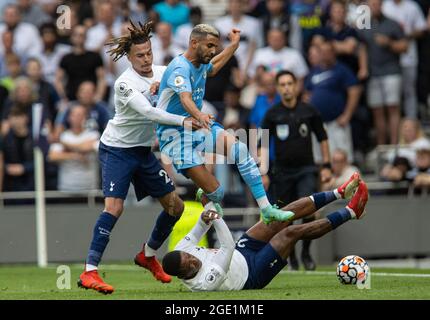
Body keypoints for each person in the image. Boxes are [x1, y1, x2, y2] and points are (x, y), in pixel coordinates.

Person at [77, 20, 201, 295]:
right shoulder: (124, 84)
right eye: (139, 56)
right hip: (117, 150)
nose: (146, 60)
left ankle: (147, 255)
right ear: (129, 58)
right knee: (115, 208)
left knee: (175, 208)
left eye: (149, 53)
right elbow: (151, 114)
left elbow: (193, 75)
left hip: (143, 152)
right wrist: (185, 121)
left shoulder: (161, 71)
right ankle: (89, 272)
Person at [156, 24, 293, 225]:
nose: (213, 51)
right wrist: (200, 115)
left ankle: (266, 209)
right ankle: (208, 197)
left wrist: (234, 46)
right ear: (194, 43)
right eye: (210, 46)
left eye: (216, 46)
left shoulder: (200, 63)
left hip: (195, 127)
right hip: (174, 137)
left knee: (241, 150)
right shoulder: (180, 68)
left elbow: (213, 68)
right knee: (217, 193)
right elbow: (185, 99)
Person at [161, 173, 367, 291]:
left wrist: (206, 216)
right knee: (290, 233)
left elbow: (201, 227)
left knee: (279, 215)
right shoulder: (204, 282)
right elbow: (227, 245)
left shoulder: (181, 250)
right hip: (252, 274)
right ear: (183, 276)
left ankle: (339, 192)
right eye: (188, 265)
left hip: (242, 253)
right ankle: (350, 212)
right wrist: (212, 212)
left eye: (188, 256)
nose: (192, 259)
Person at [260, 70, 331, 270]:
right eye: (282, 84)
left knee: (309, 209)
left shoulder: (309, 111)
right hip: (281, 173)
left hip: (306, 169)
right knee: (285, 217)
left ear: (296, 86)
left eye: (289, 83)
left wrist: (326, 166)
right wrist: (263, 171)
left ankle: (306, 252)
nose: (286, 88)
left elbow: (322, 138)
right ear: (277, 88)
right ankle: (291, 257)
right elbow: (262, 143)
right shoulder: (272, 114)